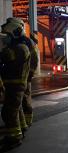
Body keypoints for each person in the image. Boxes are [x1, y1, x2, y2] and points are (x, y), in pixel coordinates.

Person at [0, 18, 30, 151]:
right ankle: (21, 129)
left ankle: (14, 138)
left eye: (6, 37)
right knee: (16, 109)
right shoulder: (17, 46)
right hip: (13, 84)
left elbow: (6, 57)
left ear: (15, 34)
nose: (4, 40)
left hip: (16, 85)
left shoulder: (20, 48)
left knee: (9, 112)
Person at [5, 18, 39, 130]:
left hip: (24, 77)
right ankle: (22, 124)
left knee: (25, 100)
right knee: (18, 102)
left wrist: (30, 74)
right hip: (19, 77)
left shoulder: (26, 41)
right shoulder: (15, 41)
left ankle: (27, 121)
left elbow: (34, 59)